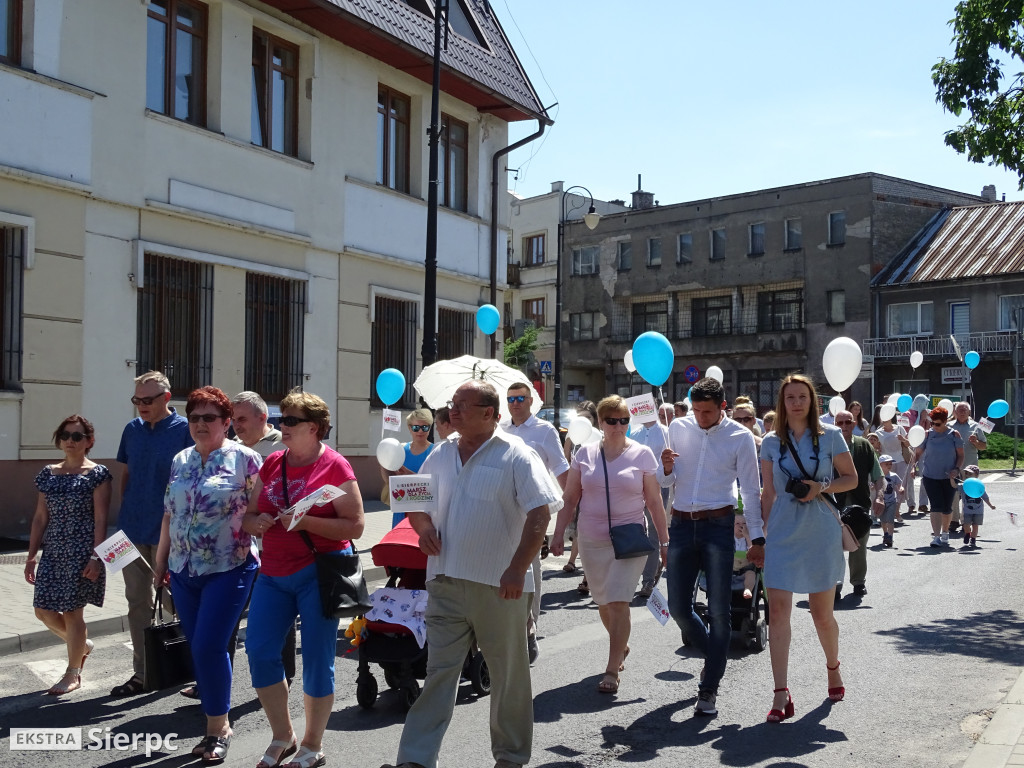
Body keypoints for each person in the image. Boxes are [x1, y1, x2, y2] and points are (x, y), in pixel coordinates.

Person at [382, 381, 559, 768]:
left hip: (502, 588)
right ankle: (415, 759)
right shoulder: (441, 454)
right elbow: (415, 502)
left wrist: (516, 569)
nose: (453, 412)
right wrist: (423, 526)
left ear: (489, 413)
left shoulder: (517, 454)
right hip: (445, 581)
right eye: (452, 405)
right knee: (439, 674)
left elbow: (540, 514)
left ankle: (510, 758)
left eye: (463, 405)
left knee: (507, 677)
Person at [244, 389, 365, 768]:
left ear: (314, 428)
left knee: (316, 659)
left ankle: (313, 744)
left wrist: (305, 520)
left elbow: (356, 526)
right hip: (273, 573)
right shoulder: (272, 462)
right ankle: (283, 734)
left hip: (319, 572)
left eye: (291, 421)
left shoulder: (336, 467)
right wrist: (258, 522)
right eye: (281, 420)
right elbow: (248, 515)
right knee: (259, 652)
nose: (282, 426)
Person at [154, 387, 261, 765]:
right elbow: (170, 514)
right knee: (199, 643)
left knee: (208, 646)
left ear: (227, 423)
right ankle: (217, 717)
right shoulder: (180, 459)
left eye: (209, 418)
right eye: (194, 417)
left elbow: (261, 512)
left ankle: (219, 727)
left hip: (228, 565)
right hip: (183, 569)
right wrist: (160, 562)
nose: (200, 424)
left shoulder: (246, 460)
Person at [747, 374, 857, 722]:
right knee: (778, 614)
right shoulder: (768, 442)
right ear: (782, 403)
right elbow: (768, 494)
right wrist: (761, 538)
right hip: (781, 532)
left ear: (813, 402)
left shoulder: (831, 436)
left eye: (802, 397)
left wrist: (820, 486)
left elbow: (851, 479)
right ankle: (781, 693)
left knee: (822, 615)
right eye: (790, 397)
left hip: (820, 530)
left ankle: (833, 667)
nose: (796, 402)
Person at [553, 395, 668, 695]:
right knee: (603, 602)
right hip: (592, 539)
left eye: (624, 421)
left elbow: (654, 502)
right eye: (612, 421)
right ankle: (622, 645)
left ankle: (611, 668)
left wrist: (665, 541)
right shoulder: (585, 454)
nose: (619, 426)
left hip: (629, 539)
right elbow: (570, 498)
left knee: (618, 601)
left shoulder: (643, 454)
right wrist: (557, 534)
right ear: (601, 423)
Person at [660, 377, 761, 717]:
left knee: (720, 611)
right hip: (681, 523)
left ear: (723, 408)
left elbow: (750, 490)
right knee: (678, 607)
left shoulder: (740, 437)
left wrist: (756, 537)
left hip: (719, 525)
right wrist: (666, 469)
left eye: (707, 411)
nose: (700, 417)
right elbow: (666, 481)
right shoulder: (677, 427)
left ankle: (709, 687)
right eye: (696, 410)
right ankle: (715, 659)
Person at [111, 370, 193, 697]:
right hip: (130, 529)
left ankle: (195, 666)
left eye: (148, 400)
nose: (141, 406)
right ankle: (143, 674)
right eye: (137, 400)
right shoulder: (131, 430)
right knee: (137, 602)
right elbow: (126, 476)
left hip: (169, 533)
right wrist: (123, 518)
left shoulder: (186, 430)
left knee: (179, 602)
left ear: (166, 399)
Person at [24, 415, 111, 695]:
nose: (70, 441)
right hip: (53, 552)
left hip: (82, 551)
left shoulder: (97, 474)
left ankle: (73, 673)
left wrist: (97, 558)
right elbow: (39, 517)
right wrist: (30, 556)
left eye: (77, 436)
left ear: (89, 441)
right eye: (65, 435)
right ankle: (81, 646)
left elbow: (101, 519)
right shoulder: (48, 473)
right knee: (44, 611)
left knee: (73, 613)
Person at [501, 382, 569, 664]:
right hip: (504, 512)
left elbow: (561, 469)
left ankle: (530, 626)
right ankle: (507, 627)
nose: (515, 403)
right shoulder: (501, 430)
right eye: (511, 399)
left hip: (533, 511)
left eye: (520, 398)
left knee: (531, 571)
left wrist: (569, 511)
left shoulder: (544, 430)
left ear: (531, 401)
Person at [833, 409, 882, 597]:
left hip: (860, 503)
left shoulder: (864, 446)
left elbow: (878, 474)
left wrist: (879, 496)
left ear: (854, 424)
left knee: (859, 545)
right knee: (832, 545)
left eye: (848, 422)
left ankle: (858, 582)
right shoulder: (826, 446)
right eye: (840, 423)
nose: (844, 426)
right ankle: (835, 585)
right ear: (834, 425)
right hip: (833, 503)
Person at [633, 402, 674, 599]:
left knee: (654, 533)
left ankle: (647, 581)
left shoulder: (666, 432)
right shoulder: (635, 434)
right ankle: (638, 574)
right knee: (636, 532)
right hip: (634, 487)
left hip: (657, 486)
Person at [913, 406, 964, 548]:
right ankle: (936, 536)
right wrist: (913, 466)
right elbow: (918, 453)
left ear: (945, 421)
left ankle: (945, 532)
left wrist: (956, 469)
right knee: (935, 506)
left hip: (949, 477)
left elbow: (961, 456)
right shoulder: (928, 435)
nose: (934, 426)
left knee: (947, 507)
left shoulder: (954, 435)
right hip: (930, 476)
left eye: (937, 424)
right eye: (932, 423)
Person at [561, 401, 598, 582]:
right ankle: (572, 561)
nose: (584, 421)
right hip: (577, 486)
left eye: (588, 417)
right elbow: (564, 459)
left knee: (588, 530)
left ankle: (586, 576)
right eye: (581, 417)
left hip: (593, 488)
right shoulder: (572, 435)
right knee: (578, 527)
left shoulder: (599, 436)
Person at [380, 409, 436, 528]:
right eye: (416, 427)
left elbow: (434, 485)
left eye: (424, 427)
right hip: (401, 508)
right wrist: (383, 462)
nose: (420, 431)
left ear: (430, 428)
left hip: (424, 513)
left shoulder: (435, 451)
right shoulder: (400, 449)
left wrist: (408, 474)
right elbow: (389, 481)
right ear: (409, 428)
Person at [949, 402, 987, 535]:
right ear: (955, 412)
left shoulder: (976, 426)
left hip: (970, 467)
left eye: (965, 409)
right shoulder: (950, 426)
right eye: (959, 409)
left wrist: (976, 442)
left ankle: (967, 519)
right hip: (954, 466)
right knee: (953, 493)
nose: (962, 411)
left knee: (969, 495)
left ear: (969, 412)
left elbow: (984, 446)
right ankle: (954, 520)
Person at [875, 413, 913, 515]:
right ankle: (888, 509)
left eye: (886, 418)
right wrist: (877, 449)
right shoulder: (878, 432)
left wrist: (903, 439)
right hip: (885, 463)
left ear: (891, 418)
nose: (885, 420)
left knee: (900, 486)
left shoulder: (899, 428)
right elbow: (877, 447)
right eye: (883, 419)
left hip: (900, 460)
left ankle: (896, 510)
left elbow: (909, 444)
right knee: (887, 487)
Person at [232, 391, 284, 457]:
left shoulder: (284, 444)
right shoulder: (233, 445)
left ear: (261, 418)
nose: (236, 425)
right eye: (233, 420)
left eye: (242, 419)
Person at [957, 465, 995, 548]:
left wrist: (991, 505)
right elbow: (954, 486)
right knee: (966, 525)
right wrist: (952, 478)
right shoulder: (964, 486)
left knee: (975, 525)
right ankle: (967, 533)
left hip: (978, 510)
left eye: (970, 474)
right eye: (966, 473)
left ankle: (973, 539)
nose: (967, 475)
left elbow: (985, 497)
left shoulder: (978, 486)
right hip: (967, 510)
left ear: (976, 475)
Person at [876, 455, 904, 549]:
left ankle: (890, 537)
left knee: (890, 520)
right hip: (881, 502)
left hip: (892, 501)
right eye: (886, 464)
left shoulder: (894, 476)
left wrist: (901, 489)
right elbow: (872, 486)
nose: (889, 465)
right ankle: (885, 534)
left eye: (890, 464)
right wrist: (872, 487)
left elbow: (900, 485)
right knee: (883, 520)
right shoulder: (877, 476)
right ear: (880, 465)